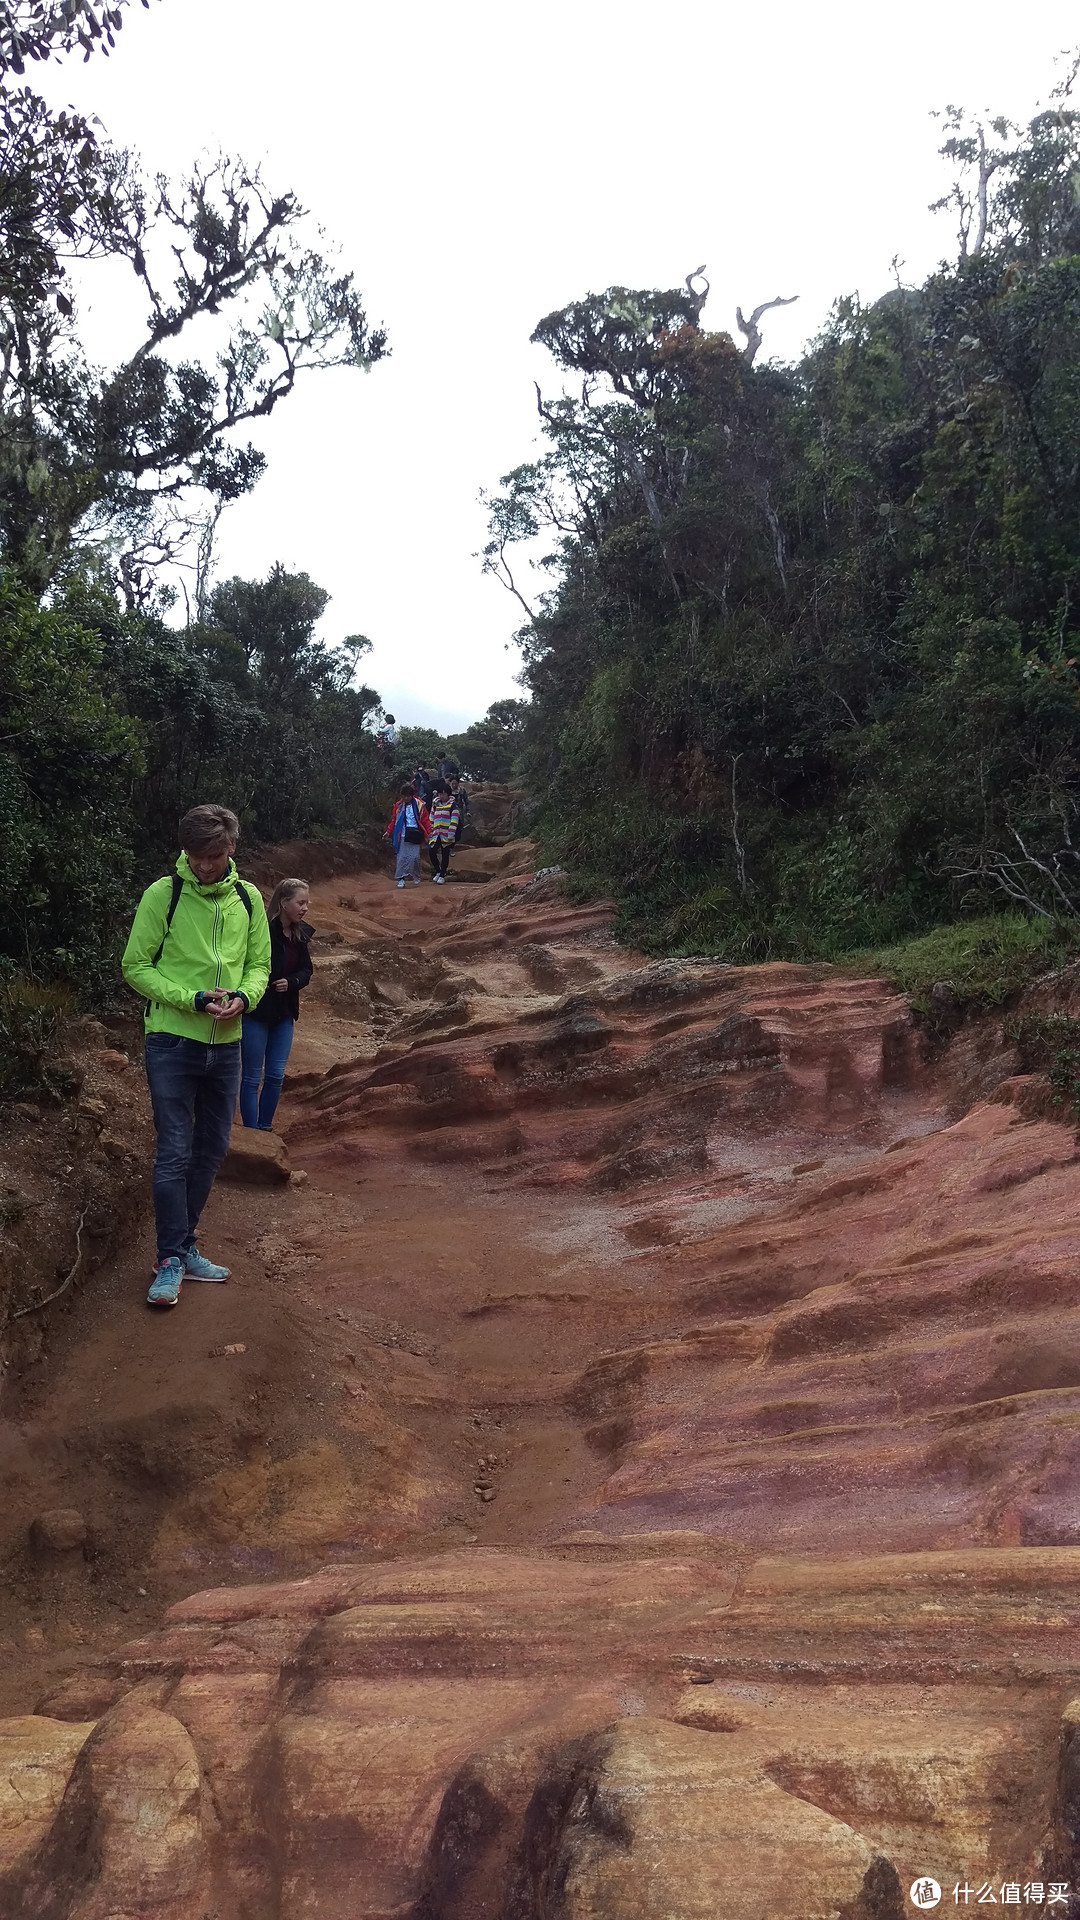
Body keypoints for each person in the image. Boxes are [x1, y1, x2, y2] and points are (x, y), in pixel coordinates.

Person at [121, 803, 270, 1310]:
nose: (204, 864)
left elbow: (259, 964)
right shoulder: (163, 896)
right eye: (195, 855)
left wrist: (245, 998)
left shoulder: (249, 900)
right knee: (175, 1151)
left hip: (226, 1046)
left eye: (214, 854)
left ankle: (185, 1246)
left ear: (231, 849)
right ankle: (168, 1259)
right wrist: (192, 999)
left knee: (211, 1151)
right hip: (171, 1041)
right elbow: (136, 966)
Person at [240, 878, 313, 1131]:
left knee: (275, 1075)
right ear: (283, 903)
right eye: (300, 903)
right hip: (257, 1012)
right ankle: (251, 1133)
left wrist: (291, 982)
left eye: (306, 903)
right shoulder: (261, 931)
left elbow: (306, 970)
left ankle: (265, 1126)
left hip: (284, 1013)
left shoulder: (299, 933)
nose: (305, 908)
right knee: (251, 1076)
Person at [385, 783, 430, 887]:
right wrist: (388, 831)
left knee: (414, 858)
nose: (406, 798)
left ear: (412, 795)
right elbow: (394, 820)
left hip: (415, 835)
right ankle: (401, 878)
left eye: (408, 796)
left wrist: (429, 831)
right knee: (401, 858)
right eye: (404, 796)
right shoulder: (398, 806)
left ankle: (416, 875)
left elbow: (425, 820)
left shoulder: (420, 805)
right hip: (402, 835)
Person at [427, 782, 457, 882]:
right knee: (432, 851)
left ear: (448, 794)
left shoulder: (453, 806)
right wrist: (430, 830)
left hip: (446, 833)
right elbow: (431, 817)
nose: (441, 796)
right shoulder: (435, 805)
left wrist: (451, 833)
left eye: (443, 794)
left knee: (445, 854)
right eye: (440, 794)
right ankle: (438, 871)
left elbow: (454, 820)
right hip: (436, 833)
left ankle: (442, 875)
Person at [449, 776, 469, 844]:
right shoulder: (448, 790)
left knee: (460, 825)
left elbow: (466, 801)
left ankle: (457, 840)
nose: (454, 785)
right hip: (450, 810)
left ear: (458, 783)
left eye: (456, 783)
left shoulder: (461, 790)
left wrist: (468, 811)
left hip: (459, 809)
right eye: (452, 783)